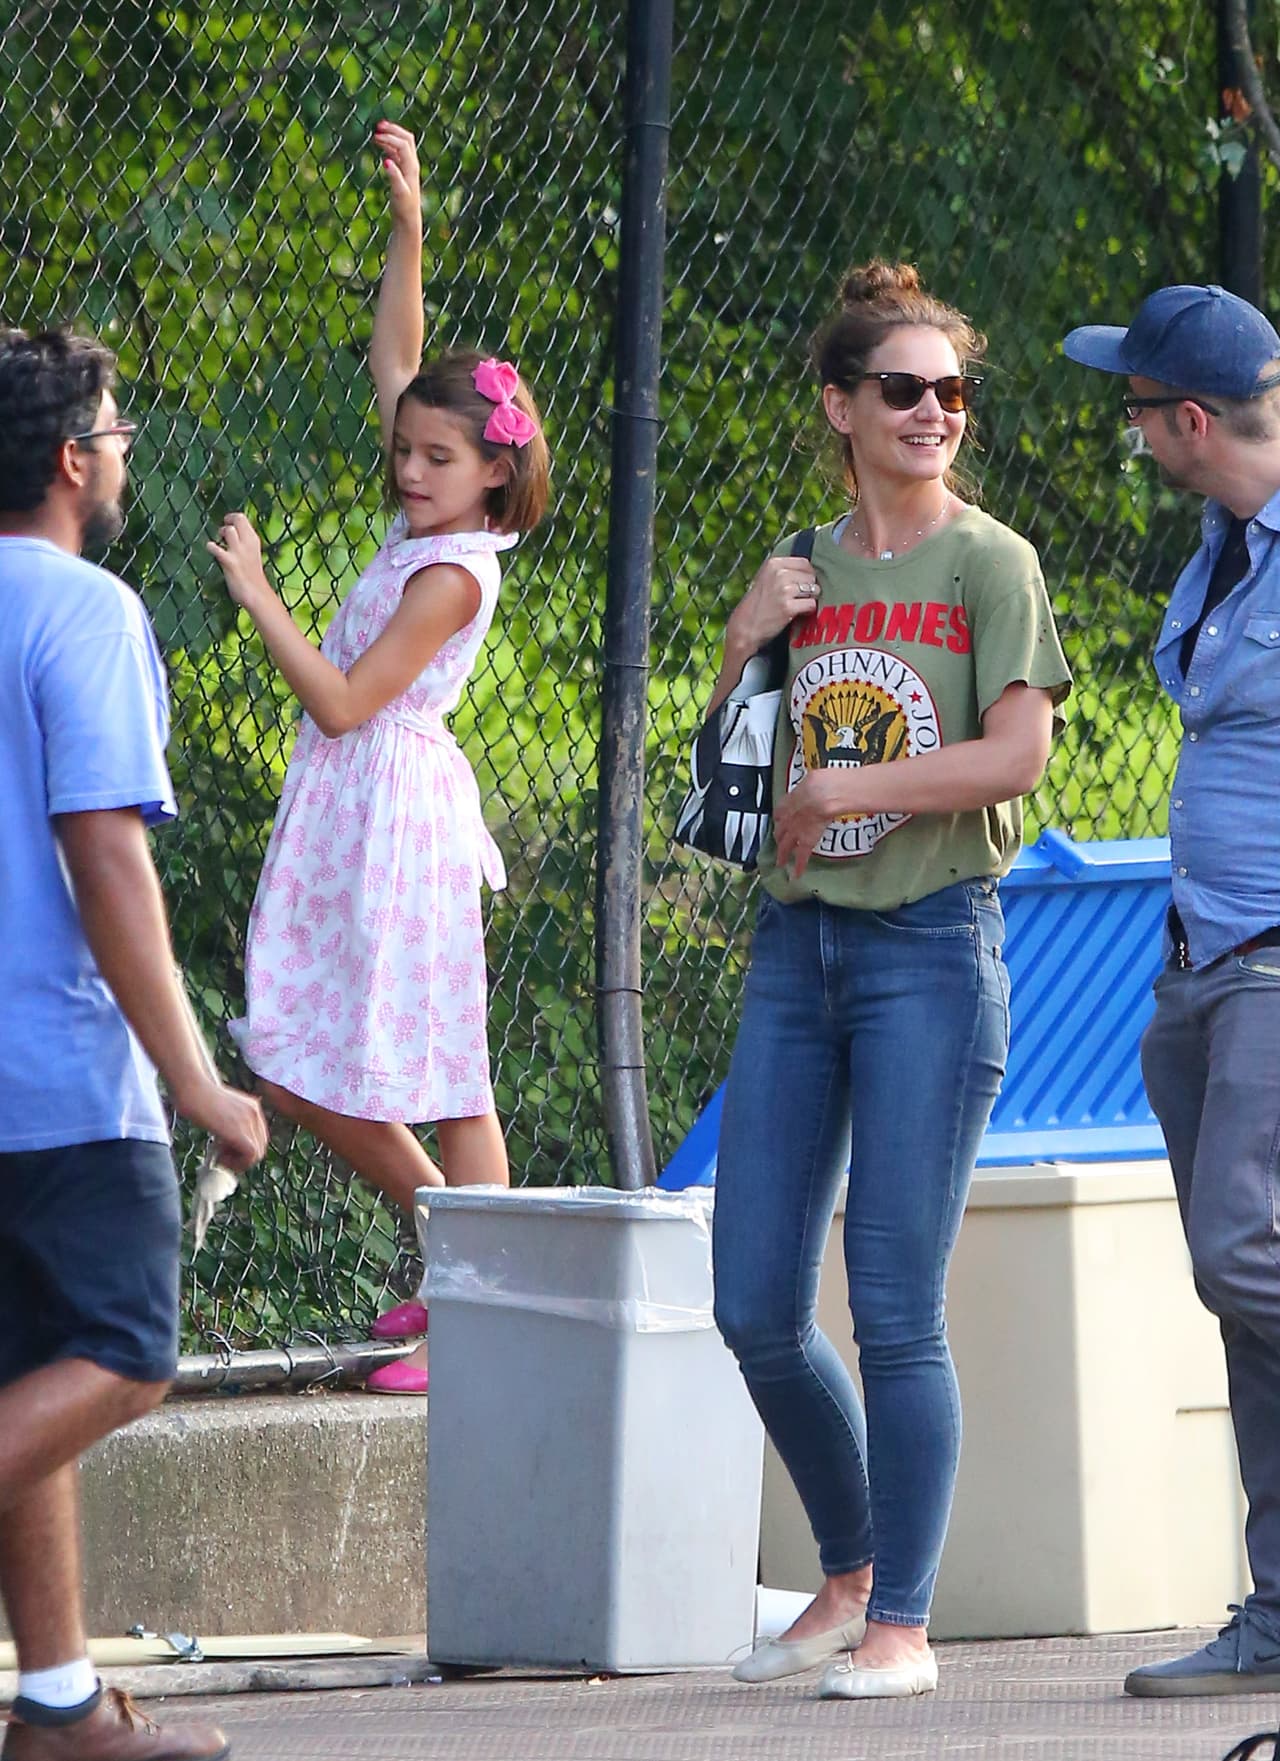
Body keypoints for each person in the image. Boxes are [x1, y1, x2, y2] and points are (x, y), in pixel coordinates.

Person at [709, 262, 1071, 1700]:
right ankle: (847, 1572)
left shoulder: (991, 562)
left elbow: (1016, 757)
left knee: (895, 1307)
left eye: (952, 392)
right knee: (753, 1303)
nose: (934, 412)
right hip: (796, 952)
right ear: (840, 408)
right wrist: (743, 638)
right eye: (905, 389)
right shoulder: (801, 567)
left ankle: (901, 1625)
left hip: (930, 947)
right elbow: (735, 770)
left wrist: (854, 784)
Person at [208, 122, 551, 1395]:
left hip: (390, 803)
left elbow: (347, 703)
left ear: (493, 472)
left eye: (435, 457)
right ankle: (462, 1268)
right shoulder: (428, 520)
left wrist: (259, 594)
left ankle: (478, 1299)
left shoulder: (454, 572)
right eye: (404, 450)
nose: (407, 467)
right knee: (305, 1052)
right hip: (347, 806)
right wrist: (408, 230)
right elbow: (399, 361)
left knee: (434, 1070)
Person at [0, 327, 268, 1760]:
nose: (123, 460)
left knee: (29, 1374)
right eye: (115, 436)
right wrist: (196, 1080)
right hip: (50, 1078)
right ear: (68, 461)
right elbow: (105, 857)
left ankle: (56, 1705)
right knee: (123, 1350)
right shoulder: (86, 610)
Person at [1063, 283, 1280, 1698]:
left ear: (1189, 418)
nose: (1130, 432)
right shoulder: (1224, 547)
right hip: (1199, 964)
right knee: (1248, 1311)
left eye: (1136, 410)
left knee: (1239, 1251)